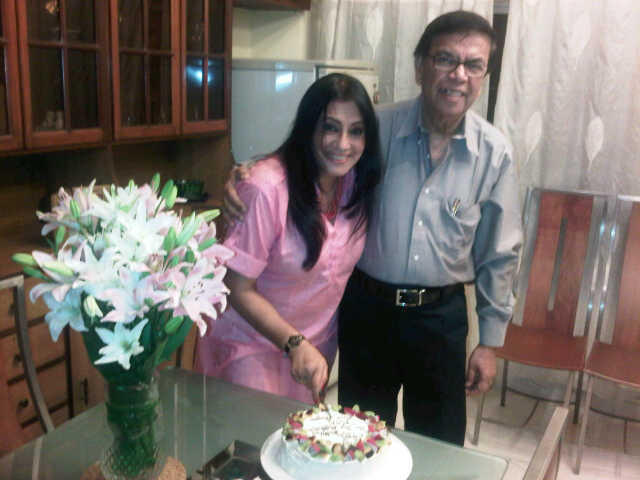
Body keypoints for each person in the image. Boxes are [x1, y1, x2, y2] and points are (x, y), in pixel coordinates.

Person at [223, 10, 522, 446]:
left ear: (484, 76)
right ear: (420, 67)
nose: (459, 75)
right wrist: (243, 173)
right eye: (445, 59)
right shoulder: (372, 128)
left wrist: (490, 342)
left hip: (440, 320)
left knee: (439, 444)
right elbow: (307, 157)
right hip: (367, 312)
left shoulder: (494, 154)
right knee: (358, 437)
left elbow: (501, 253)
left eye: (473, 64)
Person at [195, 73, 382, 404]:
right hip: (250, 346)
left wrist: (304, 346)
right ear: (308, 127)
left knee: (297, 434)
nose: (343, 144)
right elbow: (237, 287)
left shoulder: (357, 183)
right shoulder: (266, 188)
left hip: (315, 348)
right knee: (255, 435)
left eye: (356, 131)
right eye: (330, 127)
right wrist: (294, 342)